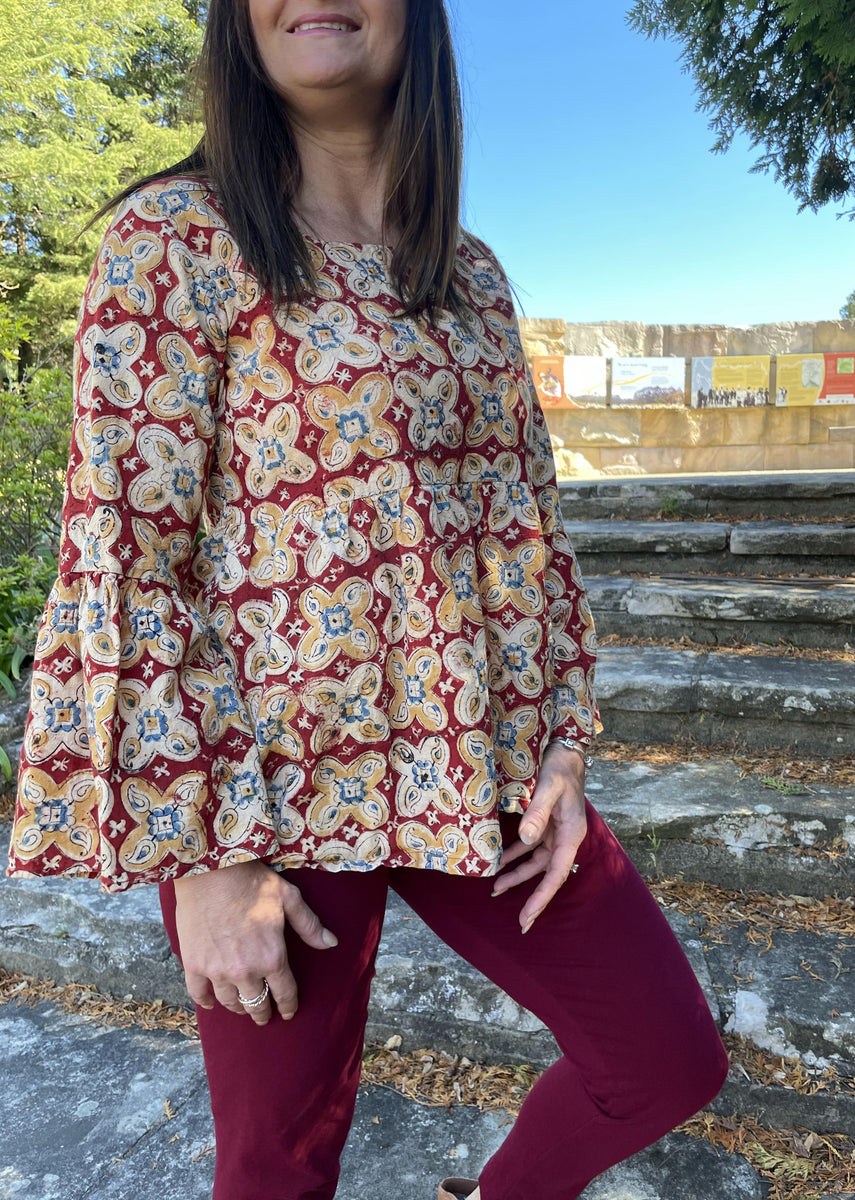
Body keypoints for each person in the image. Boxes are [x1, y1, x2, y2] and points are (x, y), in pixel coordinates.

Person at [6, 2, 729, 1198]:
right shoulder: (174, 240)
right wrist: (203, 864)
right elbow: (126, 555)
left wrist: (558, 744)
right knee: (279, 1169)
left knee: (663, 1057)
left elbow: (522, 529)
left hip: (476, 770)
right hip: (267, 806)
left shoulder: (471, 276)